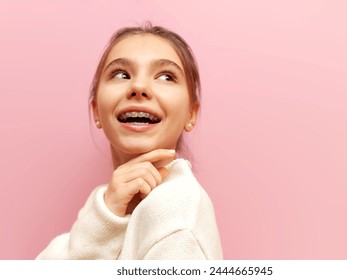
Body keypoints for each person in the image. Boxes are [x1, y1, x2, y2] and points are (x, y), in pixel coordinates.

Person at [36, 23, 223, 260]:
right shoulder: (104, 204)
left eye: (166, 76)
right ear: (96, 111)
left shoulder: (176, 216)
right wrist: (107, 214)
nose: (139, 87)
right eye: (121, 74)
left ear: (191, 114)